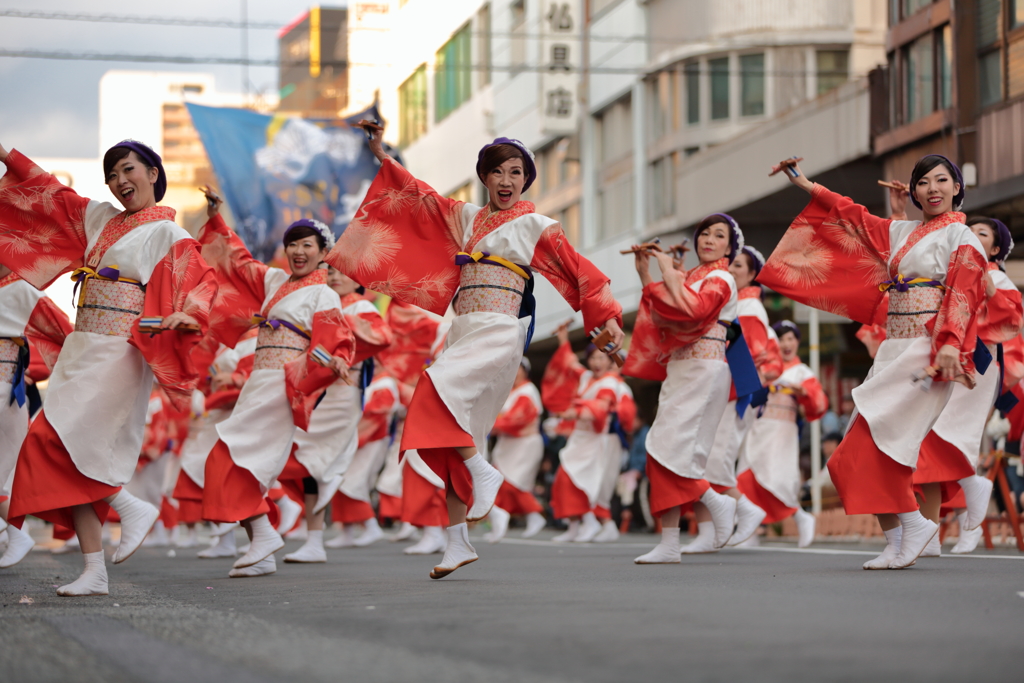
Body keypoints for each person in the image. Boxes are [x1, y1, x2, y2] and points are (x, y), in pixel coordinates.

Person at [327, 127, 623, 579]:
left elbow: (579, 272)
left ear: (526, 180)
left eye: (516, 172)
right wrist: (381, 156)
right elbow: (420, 199)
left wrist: (609, 319)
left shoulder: (536, 226)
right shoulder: (467, 217)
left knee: (433, 390)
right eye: (498, 171)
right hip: (464, 328)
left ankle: (483, 475)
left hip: (501, 328)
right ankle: (457, 541)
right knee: (450, 434)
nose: (507, 179)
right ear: (484, 176)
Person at [0, 139, 218, 596]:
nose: (120, 182)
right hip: (84, 344)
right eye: (113, 176)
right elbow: (49, 192)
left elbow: (199, 280)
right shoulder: (100, 219)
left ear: (153, 173)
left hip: (120, 348)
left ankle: (92, 512)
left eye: (128, 170)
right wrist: (6, 155)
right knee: (75, 451)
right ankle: (95, 567)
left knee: (53, 438)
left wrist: (189, 314)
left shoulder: (169, 234)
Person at [759, 154, 987, 569]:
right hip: (893, 349)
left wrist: (951, 344)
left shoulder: (963, 237)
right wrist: (808, 185)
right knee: (870, 448)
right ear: (914, 191)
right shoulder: (902, 231)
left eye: (942, 180)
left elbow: (963, 293)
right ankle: (899, 535)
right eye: (923, 182)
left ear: (957, 187)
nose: (932, 188)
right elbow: (854, 217)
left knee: (867, 446)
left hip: (925, 349)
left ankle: (913, 525)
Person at [197, 195, 356, 578]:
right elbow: (239, 263)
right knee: (244, 464)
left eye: (307, 245)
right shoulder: (275, 282)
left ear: (323, 254)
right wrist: (218, 220)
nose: (298, 252)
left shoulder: (324, 292)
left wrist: (337, 357)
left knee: (226, 457)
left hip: (283, 383)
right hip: (259, 382)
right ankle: (262, 548)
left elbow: (335, 336)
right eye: (293, 244)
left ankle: (265, 532)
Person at [624, 216, 745, 564]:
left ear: (729, 246)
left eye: (718, 235)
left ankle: (711, 502)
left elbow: (695, 310)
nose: (708, 239)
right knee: (661, 449)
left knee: (671, 449)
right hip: (683, 369)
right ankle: (673, 539)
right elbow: (663, 314)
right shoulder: (694, 277)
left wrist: (667, 272)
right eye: (704, 233)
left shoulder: (721, 277)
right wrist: (647, 273)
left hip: (705, 369)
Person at [912, 217, 1021, 557]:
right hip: (949, 362)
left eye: (982, 233)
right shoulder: (955, 271)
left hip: (977, 366)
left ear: (996, 248)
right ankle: (932, 533)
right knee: (925, 443)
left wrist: (989, 288)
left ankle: (969, 493)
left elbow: (1012, 320)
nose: (972, 236)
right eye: (969, 231)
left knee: (937, 439)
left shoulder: (996, 276)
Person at [277, 265, 392, 564]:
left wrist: (334, 328)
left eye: (343, 272)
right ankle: (312, 537)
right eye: (329, 273)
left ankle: (315, 538)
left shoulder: (361, 305)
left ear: (358, 280)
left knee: (319, 462)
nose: (336, 277)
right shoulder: (320, 303)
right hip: (313, 389)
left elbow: (381, 336)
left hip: (343, 388)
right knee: (304, 460)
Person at [697, 245, 783, 551]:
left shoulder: (747, 309)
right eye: (729, 264)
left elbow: (749, 357)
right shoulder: (736, 304)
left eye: (738, 266)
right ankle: (709, 532)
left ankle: (745, 510)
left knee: (713, 464)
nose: (731, 270)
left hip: (736, 393)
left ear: (752, 275)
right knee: (704, 462)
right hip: (729, 391)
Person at [0, 267, 73, 568]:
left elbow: (64, 331)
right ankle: (15, 533)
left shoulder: (20, 287)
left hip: (6, 391)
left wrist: (29, 368)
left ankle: (16, 533)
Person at [737, 321, 828, 548]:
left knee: (775, 479)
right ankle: (750, 533)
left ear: (797, 342)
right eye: (782, 339)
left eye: (791, 338)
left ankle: (800, 517)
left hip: (782, 431)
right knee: (747, 477)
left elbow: (819, 403)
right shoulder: (766, 365)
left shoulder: (802, 371)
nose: (787, 344)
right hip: (757, 427)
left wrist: (804, 392)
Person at [543, 331, 621, 543]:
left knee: (583, 482)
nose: (596, 362)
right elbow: (570, 363)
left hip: (596, 439)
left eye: (601, 357)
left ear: (609, 360)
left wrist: (575, 412)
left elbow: (601, 408)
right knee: (565, 480)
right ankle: (575, 526)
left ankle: (590, 522)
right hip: (579, 437)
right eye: (593, 357)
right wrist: (562, 338)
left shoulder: (610, 384)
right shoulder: (587, 377)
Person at [485, 358, 547, 542]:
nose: (514, 372)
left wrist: (489, 425)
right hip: (508, 444)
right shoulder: (507, 392)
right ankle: (509, 520)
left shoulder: (527, 391)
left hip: (524, 444)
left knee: (513, 483)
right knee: (500, 484)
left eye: (518, 368)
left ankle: (534, 515)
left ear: (525, 371)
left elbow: (515, 421)